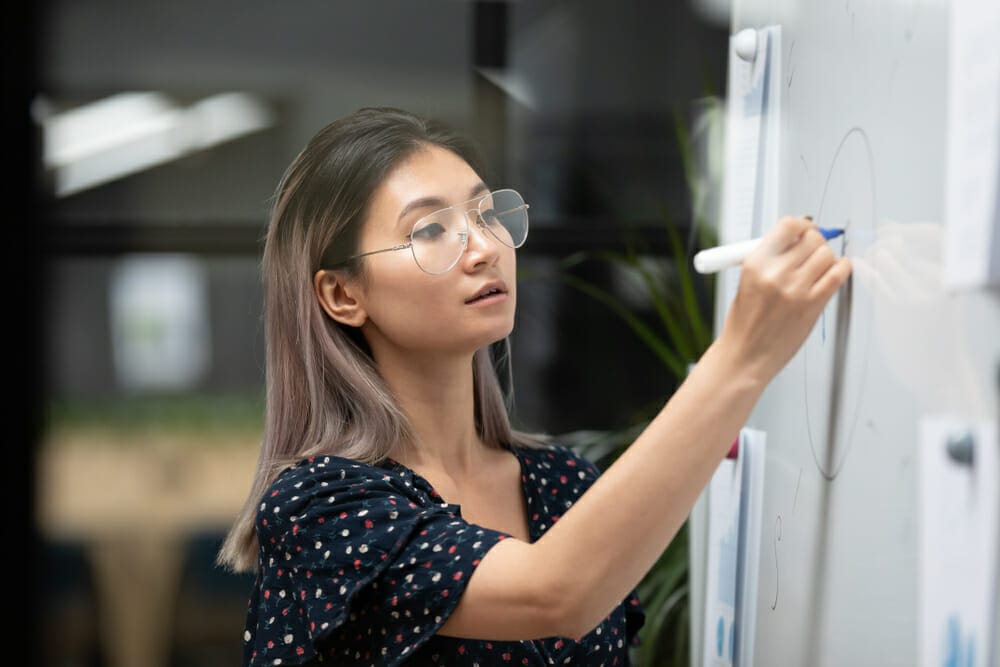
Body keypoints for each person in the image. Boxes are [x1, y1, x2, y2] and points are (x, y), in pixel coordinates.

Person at [217, 106, 852, 666]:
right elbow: (556, 593)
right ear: (342, 293)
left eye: (486, 214)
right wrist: (740, 358)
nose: (484, 248)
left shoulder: (560, 482)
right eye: (431, 230)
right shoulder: (319, 507)